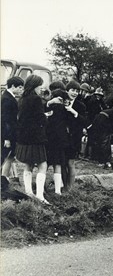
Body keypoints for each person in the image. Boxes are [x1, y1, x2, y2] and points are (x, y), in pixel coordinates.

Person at [15, 75, 49, 203]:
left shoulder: (22, 99)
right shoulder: (36, 99)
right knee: (43, 165)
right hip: (35, 137)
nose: (41, 88)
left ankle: (28, 192)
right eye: (40, 85)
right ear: (35, 86)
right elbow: (40, 119)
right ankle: (40, 196)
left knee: (28, 164)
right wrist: (46, 118)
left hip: (23, 137)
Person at [1, 77, 25, 192]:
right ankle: (3, 181)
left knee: (9, 157)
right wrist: (6, 138)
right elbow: (5, 121)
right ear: (13, 87)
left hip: (11, 134)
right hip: (8, 135)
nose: (21, 90)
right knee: (4, 158)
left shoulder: (9, 97)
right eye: (20, 87)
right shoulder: (7, 99)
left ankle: (4, 180)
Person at [45, 89, 70, 195]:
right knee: (58, 164)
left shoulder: (48, 107)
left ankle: (42, 188)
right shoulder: (64, 110)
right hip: (60, 140)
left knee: (45, 164)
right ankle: (58, 190)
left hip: (48, 139)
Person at [64, 80, 88, 191]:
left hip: (74, 138)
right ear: (67, 90)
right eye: (72, 90)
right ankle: (62, 186)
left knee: (70, 163)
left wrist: (74, 112)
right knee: (61, 163)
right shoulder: (61, 101)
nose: (75, 93)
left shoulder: (80, 105)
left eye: (77, 91)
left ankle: (70, 188)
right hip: (62, 138)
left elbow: (84, 121)